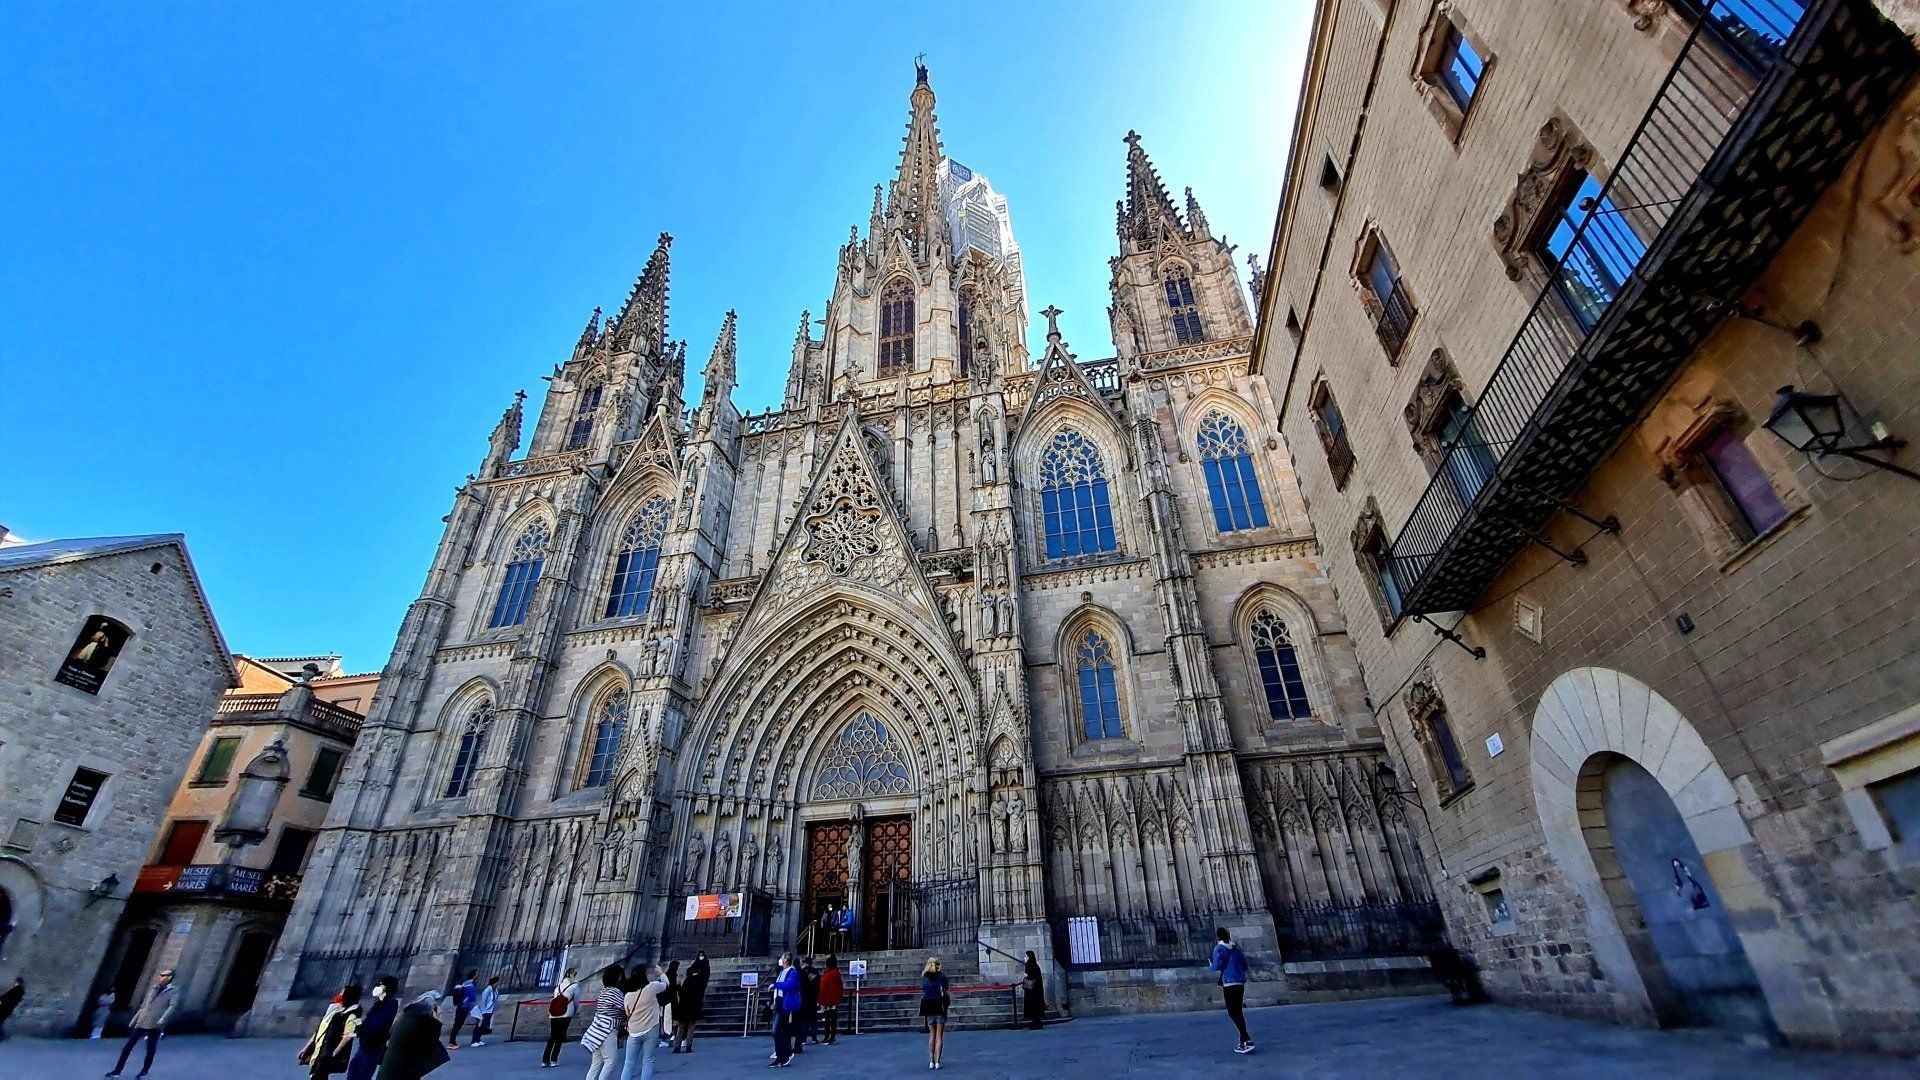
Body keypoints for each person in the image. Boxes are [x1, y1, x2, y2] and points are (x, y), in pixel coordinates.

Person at [105, 968, 176, 1078]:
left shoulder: (173, 991)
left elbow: (172, 1006)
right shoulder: (154, 988)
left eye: (163, 975)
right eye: (160, 974)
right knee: (128, 1047)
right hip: (142, 1021)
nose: (160, 977)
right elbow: (144, 1006)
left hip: (155, 1023)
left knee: (150, 1049)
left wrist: (163, 1018)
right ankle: (117, 1070)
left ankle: (144, 1071)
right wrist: (134, 1020)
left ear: (169, 978)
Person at [377, 991, 450, 1080]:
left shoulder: (409, 1016)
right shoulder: (419, 1023)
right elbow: (429, 1051)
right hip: (401, 1072)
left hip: (393, 1069)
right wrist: (436, 1022)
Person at [301, 982, 363, 1080]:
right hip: (320, 1051)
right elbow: (319, 1031)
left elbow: (347, 1036)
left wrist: (334, 1052)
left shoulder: (350, 1015)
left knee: (317, 1076)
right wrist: (307, 1048)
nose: (340, 995)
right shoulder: (333, 1011)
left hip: (326, 1053)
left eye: (342, 993)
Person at [620, 964, 670, 1080]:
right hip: (651, 1028)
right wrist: (661, 973)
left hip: (634, 1031)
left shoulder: (628, 996)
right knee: (648, 1061)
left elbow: (627, 1013)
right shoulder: (652, 988)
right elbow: (666, 985)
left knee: (629, 1063)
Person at [1210, 928, 1254, 1054]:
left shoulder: (1219, 949)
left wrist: (1211, 965)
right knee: (1238, 1011)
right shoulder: (1236, 948)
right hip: (1239, 981)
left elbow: (1216, 966)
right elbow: (1244, 965)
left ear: (1218, 937)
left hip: (1229, 982)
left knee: (1232, 1012)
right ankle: (1243, 1040)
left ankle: (1246, 1039)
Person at [347, 977, 400, 1080]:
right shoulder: (378, 1004)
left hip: (373, 1045)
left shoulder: (390, 1002)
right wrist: (360, 1026)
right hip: (365, 1043)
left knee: (363, 1073)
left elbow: (378, 1024)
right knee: (354, 1067)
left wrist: (363, 1028)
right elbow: (370, 1021)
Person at [579, 964, 626, 1079]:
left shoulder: (603, 991)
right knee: (611, 1060)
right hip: (608, 1029)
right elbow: (625, 1008)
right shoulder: (615, 992)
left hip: (597, 1029)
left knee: (596, 1062)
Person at [542, 966, 579, 1069]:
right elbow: (576, 1001)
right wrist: (574, 1011)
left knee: (552, 1036)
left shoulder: (558, 987)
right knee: (560, 1037)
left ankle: (545, 1060)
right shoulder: (574, 986)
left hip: (554, 1014)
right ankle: (554, 1059)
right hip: (566, 1013)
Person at [671, 952, 708, 1054]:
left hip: (684, 1006)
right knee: (691, 1027)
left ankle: (677, 1046)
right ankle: (689, 1046)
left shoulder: (687, 981)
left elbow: (682, 993)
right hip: (695, 1006)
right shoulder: (701, 981)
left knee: (681, 1027)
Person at [769, 953, 801, 1067]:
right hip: (780, 1003)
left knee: (778, 1030)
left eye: (782, 958)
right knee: (780, 1030)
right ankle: (782, 1055)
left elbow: (790, 985)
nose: (780, 960)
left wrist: (776, 985)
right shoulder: (783, 972)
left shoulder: (793, 972)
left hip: (786, 1004)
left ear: (786, 960)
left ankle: (783, 1055)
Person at [920, 956, 950, 1070]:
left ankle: (931, 1061)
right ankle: (937, 1062)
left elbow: (924, 989)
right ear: (938, 965)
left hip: (929, 1007)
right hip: (940, 1007)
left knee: (932, 1035)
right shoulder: (942, 976)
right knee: (939, 1036)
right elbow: (946, 988)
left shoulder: (925, 977)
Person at [446, 970, 477, 1049]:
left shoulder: (465, 984)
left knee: (457, 1024)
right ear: (474, 976)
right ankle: (452, 1042)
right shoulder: (470, 985)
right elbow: (472, 997)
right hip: (464, 1006)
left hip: (461, 1006)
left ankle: (452, 1041)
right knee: (458, 1024)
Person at [818, 955, 844, 1045]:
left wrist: (820, 1000)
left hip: (826, 1000)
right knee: (833, 1020)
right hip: (834, 1000)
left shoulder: (827, 974)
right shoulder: (837, 973)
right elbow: (840, 986)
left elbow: (823, 988)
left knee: (827, 1020)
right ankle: (832, 1036)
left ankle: (826, 1036)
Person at [470, 975, 499, 1046]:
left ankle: (478, 1039)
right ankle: (474, 1041)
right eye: (497, 983)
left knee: (483, 1026)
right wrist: (483, 1012)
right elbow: (483, 1001)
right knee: (479, 1025)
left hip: (489, 1011)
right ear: (494, 983)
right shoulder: (487, 990)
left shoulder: (495, 991)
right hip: (483, 1011)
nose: (498, 984)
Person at [798, 956, 820, 1047]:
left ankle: (804, 1038)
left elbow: (800, 985)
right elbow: (818, 985)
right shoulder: (815, 972)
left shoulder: (802, 972)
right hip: (813, 997)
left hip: (804, 997)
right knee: (813, 1019)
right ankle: (814, 1038)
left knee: (804, 1020)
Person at [656, 961, 678, 1049]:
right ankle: (666, 1037)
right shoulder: (671, 976)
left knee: (666, 1021)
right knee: (667, 1021)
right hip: (669, 1002)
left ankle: (665, 1037)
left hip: (667, 1001)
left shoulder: (669, 975)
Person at [1022, 950, 1046, 1030]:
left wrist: (1026, 975)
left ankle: (1035, 1023)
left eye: (1026, 956)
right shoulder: (1035, 965)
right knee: (1036, 1006)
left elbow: (1029, 976)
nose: (1025, 958)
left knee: (1033, 1005)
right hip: (1037, 989)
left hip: (1031, 990)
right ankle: (1037, 1022)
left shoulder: (1029, 965)